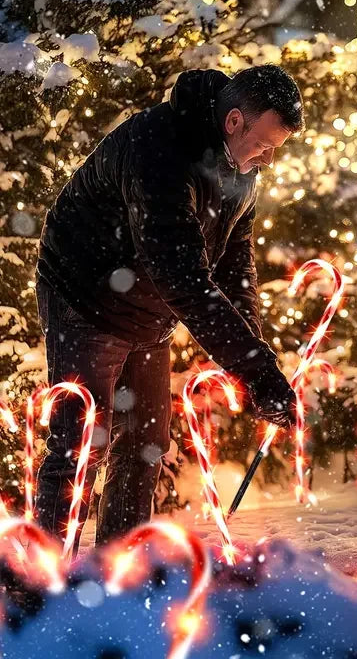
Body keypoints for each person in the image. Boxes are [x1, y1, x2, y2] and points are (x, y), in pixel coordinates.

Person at [35, 65, 302, 552]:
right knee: (80, 443)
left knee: (144, 446)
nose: (267, 159)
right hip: (86, 295)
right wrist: (257, 372)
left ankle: (118, 569)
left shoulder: (243, 172)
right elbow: (184, 277)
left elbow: (233, 268)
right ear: (234, 121)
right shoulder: (160, 150)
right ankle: (44, 583)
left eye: (275, 150)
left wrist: (258, 360)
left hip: (151, 310)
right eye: (264, 144)